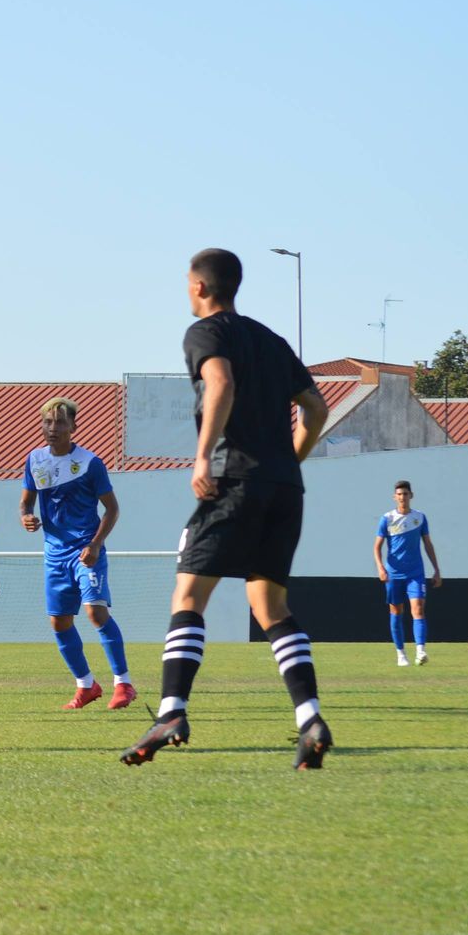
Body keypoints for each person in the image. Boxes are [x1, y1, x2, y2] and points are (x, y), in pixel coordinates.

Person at [123, 248, 335, 770]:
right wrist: (288, 460)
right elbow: (316, 407)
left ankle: (171, 712)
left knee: (188, 595)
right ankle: (310, 719)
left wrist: (203, 456)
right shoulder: (271, 339)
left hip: (233, 480)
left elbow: (220, 383)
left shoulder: (205, 333)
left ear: (198, 286)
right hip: (284, 488)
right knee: (270, 606)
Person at [19, 398, 135, 711]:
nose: (52, 428)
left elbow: (112, 509)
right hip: (54, 554)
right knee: (59, 622)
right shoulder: (34, 460)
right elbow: (26, 502)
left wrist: (95, 544)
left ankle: (123, 683)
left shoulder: (90, 463)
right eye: (47, 422)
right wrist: (26, 516)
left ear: (73, 426)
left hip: (86, 550)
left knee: (95, 612)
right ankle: (86, 685)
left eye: (59, 422)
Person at [374, 481, 442, 666]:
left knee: (418, 609)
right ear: (394, 497)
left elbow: (427, 544)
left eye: (405, 493)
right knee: (396, 611)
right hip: (394, 574)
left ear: (411, 495)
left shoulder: (419, 517)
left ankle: (420, 651)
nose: (402, 497)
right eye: (399, 494)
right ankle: (401, 654)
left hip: (415, 573)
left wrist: (436, 569)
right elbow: (377, 547)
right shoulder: (387, 519)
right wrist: (380, 568)